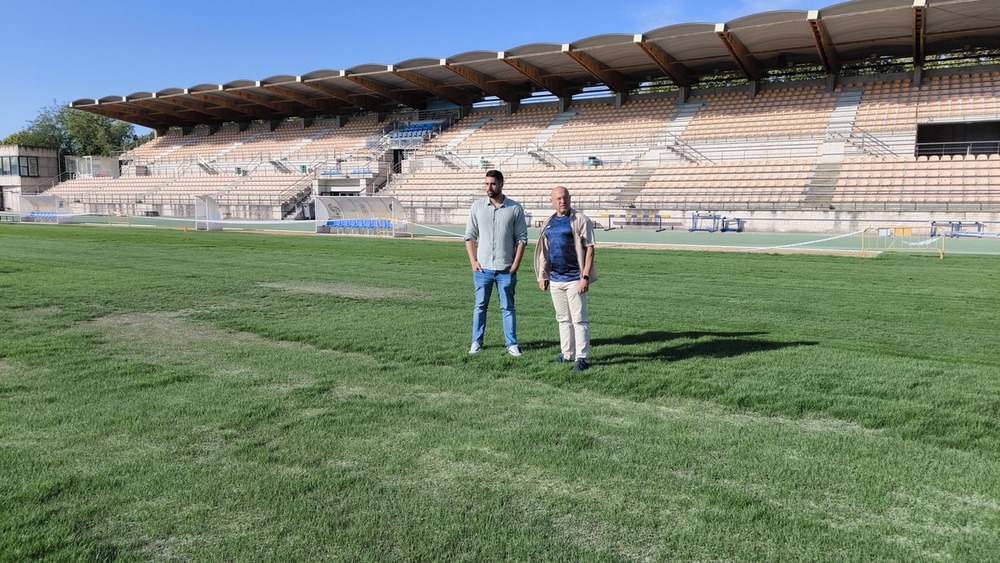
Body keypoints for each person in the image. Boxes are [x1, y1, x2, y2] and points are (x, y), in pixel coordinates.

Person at [464, 169, 528, 356]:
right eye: (486, 184)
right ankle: (476, 342)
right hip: (482, 269)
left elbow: (522, 239)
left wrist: (515, 265)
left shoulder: (514, 209)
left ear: (501, 184)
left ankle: (511, 343)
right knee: (480, 306)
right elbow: (469, 236)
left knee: (507, 307)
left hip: (506, 269)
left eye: (492, 184)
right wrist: (473, 261)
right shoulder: (477, 207)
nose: (488, 187)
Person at [533, 186, 597, 371]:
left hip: (574, 279)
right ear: (552, 201)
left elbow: (590, 250)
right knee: (562, 319)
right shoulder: (548, 222)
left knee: (579, 319)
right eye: (559, 198)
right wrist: (542, 276)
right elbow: (545, 252)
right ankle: (567, 354)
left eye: (566, 197)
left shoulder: (580, 220)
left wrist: (584, 277)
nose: (563, 201)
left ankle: (582, 358)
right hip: (555, 279)